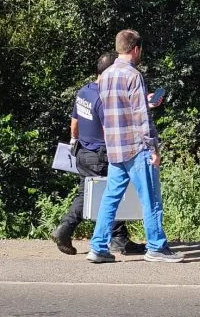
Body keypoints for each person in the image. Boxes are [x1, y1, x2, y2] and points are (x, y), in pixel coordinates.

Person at [87, 29, 183, 263]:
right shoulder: (133, 75)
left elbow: (116, 110)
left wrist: (144, 101)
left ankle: (98, 247)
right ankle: (156, 247)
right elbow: (141, 117)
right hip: (136, 147)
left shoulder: (106, 76)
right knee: (150, 198)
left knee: (110, 199)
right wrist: (154, 148)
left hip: (115, 147)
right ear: (136, 49)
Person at [52, 52, 145, 256]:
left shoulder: (84, 91)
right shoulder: (104, 97)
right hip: (100, 153)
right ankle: (66, 229)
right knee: (109, 192)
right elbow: (110, 127)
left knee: (97, 193)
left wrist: (74, 142)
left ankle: (117, 237)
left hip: (83, 152)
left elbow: (74, 123)